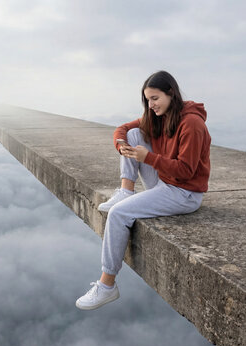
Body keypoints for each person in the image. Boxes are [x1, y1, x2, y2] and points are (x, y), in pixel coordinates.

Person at [76, 70, 211, 310]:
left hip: (184, 192)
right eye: (148, 100)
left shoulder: (192, 123)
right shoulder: (159, 116)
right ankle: (126, 190)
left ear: (171, 94)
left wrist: (148, 158)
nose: (151, 105)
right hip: (165, 181)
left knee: (118, 214)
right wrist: (121, 145)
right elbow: (123, 129)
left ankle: (107, 286)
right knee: (133, 133)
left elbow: (187, 171)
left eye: (155, 98)